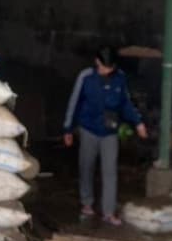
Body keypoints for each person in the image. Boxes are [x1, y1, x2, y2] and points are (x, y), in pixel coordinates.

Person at [63, 46, 148, 225]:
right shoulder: (86, 77)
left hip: (110, 131)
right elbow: (74, 102)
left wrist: (138, 122)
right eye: (103, 67)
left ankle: (108, 212)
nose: (106, 71)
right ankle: (87, 204)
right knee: (86, 167)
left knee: (110, 172)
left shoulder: (120, 78)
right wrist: (68, 129)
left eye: (109, 68)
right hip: (88, 129)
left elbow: (126, 103)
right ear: (97, 62)